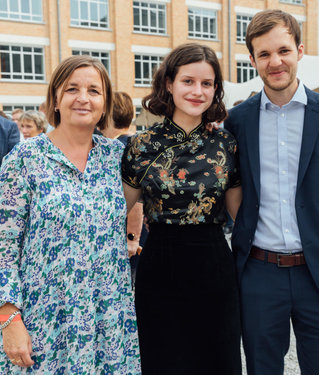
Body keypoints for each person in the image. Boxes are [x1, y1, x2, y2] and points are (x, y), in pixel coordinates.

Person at [223, 9, 319, 375]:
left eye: (283, 50)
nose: (275, 61)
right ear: (252, 60)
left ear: (300, 50)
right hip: (258, 271)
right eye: (264, 54)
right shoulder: (238, 121)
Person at [0, 55, 140, 373]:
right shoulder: (25, 158)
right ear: (56, 99)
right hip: (43, 321)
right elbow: (3, 246)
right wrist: (8, 318)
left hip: (107, 321)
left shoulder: (118, 158)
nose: (82, 98)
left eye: (94, 90)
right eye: (72, 89)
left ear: (105, 103)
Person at [122, 43, 242, 375]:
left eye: (207, 83)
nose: (197, 91)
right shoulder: (141, 146)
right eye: (188, 81)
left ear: (216, 89)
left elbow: (240, 215)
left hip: (213, 264)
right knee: (162, 360)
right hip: (160, 264)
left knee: (217, 361)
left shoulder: (227, 145)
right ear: (169, 84)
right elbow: (116, 211)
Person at [102, 91, 146, 284]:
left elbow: (136, 198)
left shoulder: (120, 148)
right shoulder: (136, 142)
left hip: (128, 235)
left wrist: (131, 238)